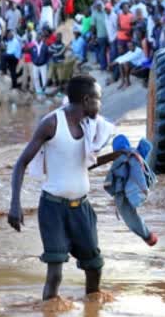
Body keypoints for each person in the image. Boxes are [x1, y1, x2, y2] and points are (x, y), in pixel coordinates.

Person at [8, 75, 106, 302]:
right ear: (86, 99)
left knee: (94, 267)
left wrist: (121, 155)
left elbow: (84, 163)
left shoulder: (90, 126)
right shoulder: (52, 123)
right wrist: (15, 204)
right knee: (55, 274)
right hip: (53, 209)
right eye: (98, 99)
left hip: (82, 209)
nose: (101, 104)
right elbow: (21, 163)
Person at [91, 2, 109, 71]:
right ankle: (103, 66)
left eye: (100, 5)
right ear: (96, 7)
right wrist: (93, 36)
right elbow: (93, 26)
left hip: (109, 35)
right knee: (102, 51)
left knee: (109, 51)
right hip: (101, 36)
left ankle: (108, 66)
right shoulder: (94, 14)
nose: (99, 7)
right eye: (98, 6)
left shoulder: (105, 12)